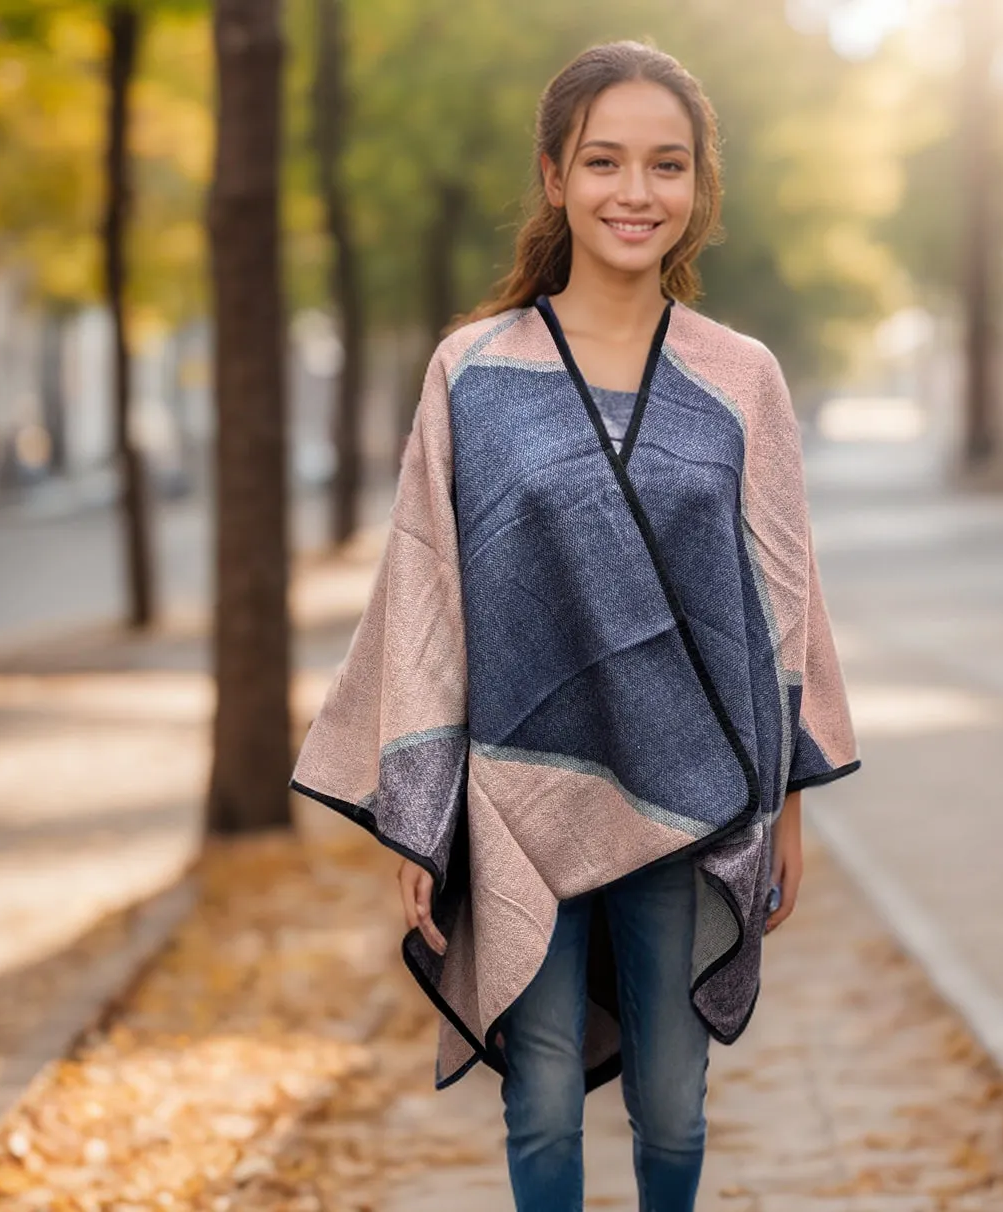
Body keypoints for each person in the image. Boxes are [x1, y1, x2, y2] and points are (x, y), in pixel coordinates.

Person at [291, 39, 859, 1212]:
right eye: (604, 162)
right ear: (554, 177)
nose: (634, 192)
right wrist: (417, 808)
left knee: (673, 1094)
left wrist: (787, 802)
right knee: (540, 1086)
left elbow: (783, 599)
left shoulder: (740, 375)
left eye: (666, 166)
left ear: (698, 187)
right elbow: (427, 596)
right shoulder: (473, 372)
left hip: (691, 785)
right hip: (514, 796)